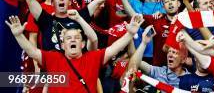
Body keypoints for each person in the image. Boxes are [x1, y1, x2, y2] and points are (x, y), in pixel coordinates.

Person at [5, 13, 145, 93]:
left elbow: (114, 48)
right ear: (63, 44)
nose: (73, 40)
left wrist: (129, 34)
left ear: (82, 44)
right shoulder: (52, 57)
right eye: (68, 38)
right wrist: (18, 35)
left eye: (77, 38)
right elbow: (32, 51)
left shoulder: (93, 57)